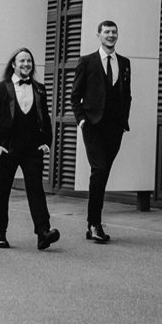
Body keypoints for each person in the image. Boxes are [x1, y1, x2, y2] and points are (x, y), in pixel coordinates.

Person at [0, 46, 59, 251]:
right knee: (3, 189)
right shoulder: (0, 88)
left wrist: (46, 142)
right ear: (14, 65)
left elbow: (45, 118)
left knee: (36, 189)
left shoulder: (40, 88)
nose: (26, 64)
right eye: (22, 61)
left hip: (32, 148)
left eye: (29, 61)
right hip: (8, 148)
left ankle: (43, 232)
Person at [70, 19, 130, 244]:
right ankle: (95, 223)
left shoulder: (124, 63)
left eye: (114, 32)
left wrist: (124, 120)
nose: (111, 35)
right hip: (93, 126)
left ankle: (92, 223)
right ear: (99, 35)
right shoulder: (87, 62)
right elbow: (75, 96)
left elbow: (127, 94)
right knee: (99, 169)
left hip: (114, 127)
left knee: (103, 174)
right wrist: (82, 121)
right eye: (106, 32)